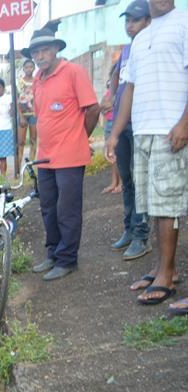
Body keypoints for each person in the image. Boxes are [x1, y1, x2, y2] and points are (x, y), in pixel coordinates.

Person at [105, 0, 187, 311]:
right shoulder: (140, 39)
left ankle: (166, 275)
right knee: (153, 204)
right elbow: (129, 90)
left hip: (171, 129)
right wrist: (114, 133)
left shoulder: (184, 24)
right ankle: (162, 267)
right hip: (143, 131)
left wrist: (184, 122)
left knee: (168, 205)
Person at [24, 26, 100, 281]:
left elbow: (92, 109)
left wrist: (80, 137)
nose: (39, 55)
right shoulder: (37, 79)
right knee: (48, 207)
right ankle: (53, 253)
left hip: (69, 156)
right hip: (45, 156)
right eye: (35, 51)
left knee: (67, 209)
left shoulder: (73, 73)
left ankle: (67, 260)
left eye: (44, 49)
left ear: (56, 49)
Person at [107, 0, 152, 260]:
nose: (130, 25)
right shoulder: (126, 50)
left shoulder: (149, 46)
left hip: (141, 121)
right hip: (121, 122)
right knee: (127, 180)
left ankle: (141, 236)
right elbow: (119, 82)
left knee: (140, 181)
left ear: (148, 20)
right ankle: (128, 229)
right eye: (127, 21)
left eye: (135, 20)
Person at [100, 73, 123, 194]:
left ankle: (122, 183)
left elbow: (116, 102)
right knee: (110, 154)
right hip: (109, 122)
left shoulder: (124, 79)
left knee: (120, 153)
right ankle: (114, 181)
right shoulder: (112, 80)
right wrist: (107, 105)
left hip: (118, 121)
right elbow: (102, 104)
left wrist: (110, 105)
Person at [17, 59, 38, 172]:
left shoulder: (37, 81)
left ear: (34, 68)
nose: (29, 69)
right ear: (23, 69)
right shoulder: (20, 82)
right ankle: (18, 169)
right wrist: (21, 116)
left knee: (33, 140)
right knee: (20, 142)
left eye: (31, 67)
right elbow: (16, 99)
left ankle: (30, 167)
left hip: (34, 114)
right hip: (23, 114)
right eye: (26, 67)